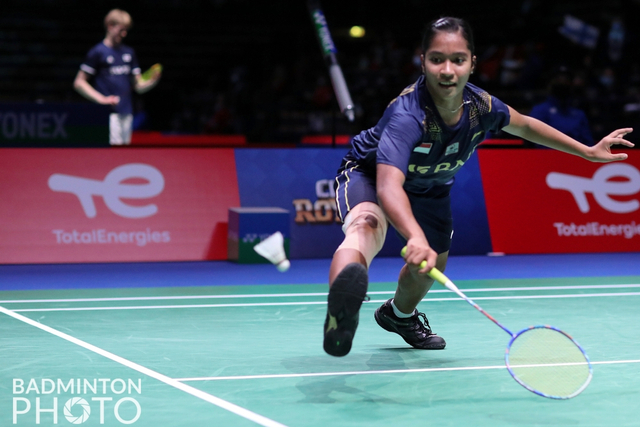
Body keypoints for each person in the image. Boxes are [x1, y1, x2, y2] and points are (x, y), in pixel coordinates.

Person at [323, 17, 634, 357]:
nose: (447, 70)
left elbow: (526, 126)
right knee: (366, 226)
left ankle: (398, 315)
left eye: (457, 60)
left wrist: (586, 152)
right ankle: (342, 312)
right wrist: (413, 235)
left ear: (473, 63)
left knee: (431, 265)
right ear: (422, 60)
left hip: (431, 187)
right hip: (370, 173)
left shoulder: (481, 106)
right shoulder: (408, 115)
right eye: (437, 59)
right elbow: (388, 186)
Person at [73, 9, 161, 145]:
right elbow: (79, 82)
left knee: (123, 155)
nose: (124, 34)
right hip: (107, 114)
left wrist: (153, 81)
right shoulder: (97, 52)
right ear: (110, 26)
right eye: (121, 30)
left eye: (126, 30)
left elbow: (138, 86)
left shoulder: (129, 53)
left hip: (127, 112)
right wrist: (102, 99)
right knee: (112, 155)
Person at [528, 66, 594, 146]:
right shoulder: (539, 111)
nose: (563, 82)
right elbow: (530, 142)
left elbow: (589, 144)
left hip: (575, 157)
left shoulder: (579, 114)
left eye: (566, 79)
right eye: (558, 79)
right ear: (550, 83)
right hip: (546, 156)